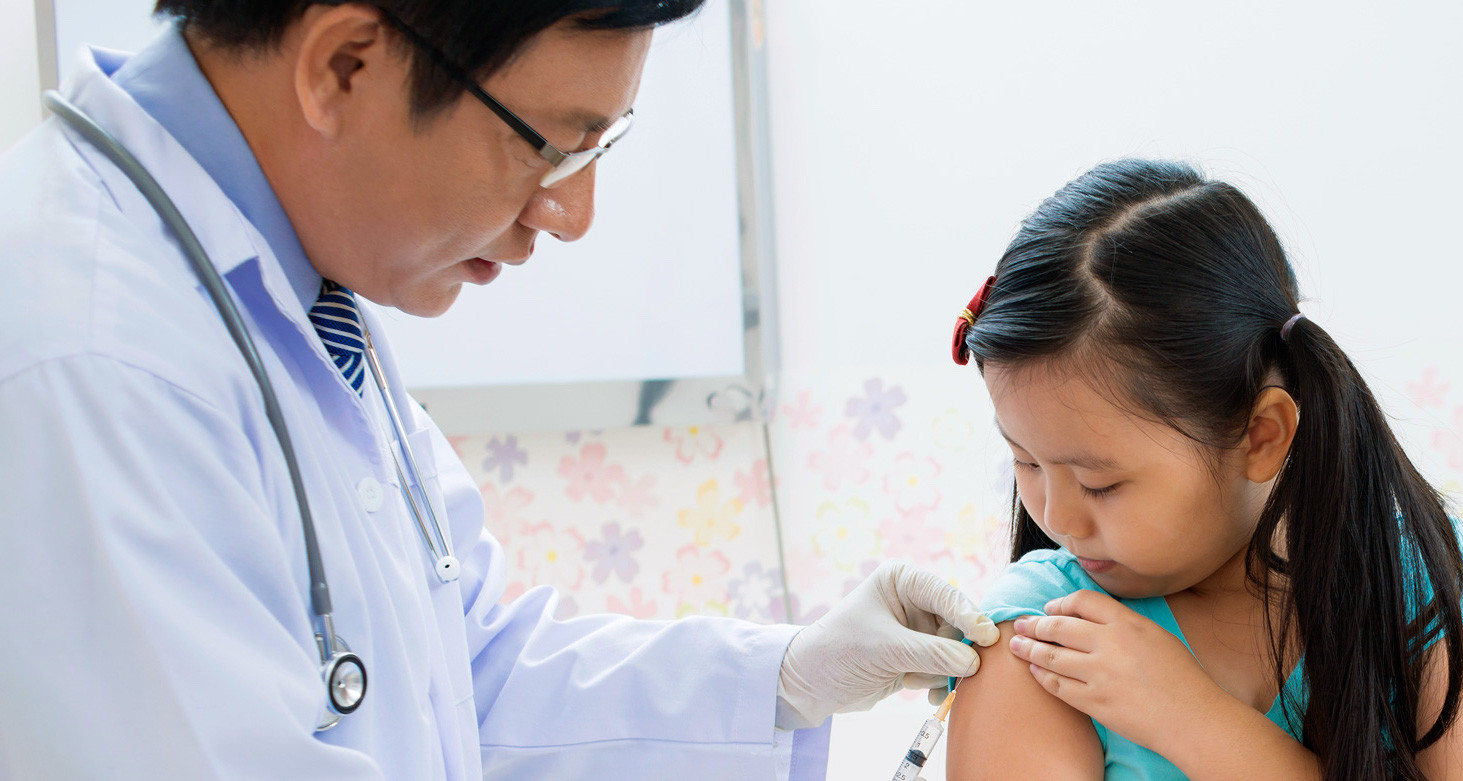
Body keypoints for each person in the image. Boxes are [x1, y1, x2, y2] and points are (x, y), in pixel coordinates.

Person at [0, 2, 1000, 777]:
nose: (571, 214)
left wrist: (787, 673)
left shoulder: (294, 292)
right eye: (551, 143)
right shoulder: (96, 360)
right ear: (343, 64)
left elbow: (462, 675)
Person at [942, 159, 1463, 779]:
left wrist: (1190, 717)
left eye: (1099, 484)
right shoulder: (1041, 638)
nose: (1055, 517)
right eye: (1024, 461)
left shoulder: (1419, 584)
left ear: (1259, 435)